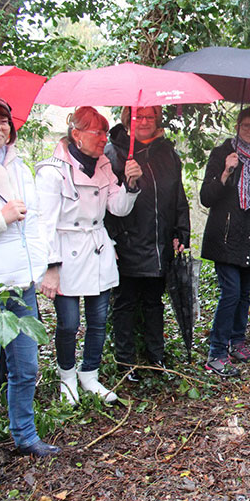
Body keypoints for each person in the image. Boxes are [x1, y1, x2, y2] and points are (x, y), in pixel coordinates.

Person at [0, 92, 58, 485]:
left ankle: (25, 436)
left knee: (26, 367)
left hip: (21, 285)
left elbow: (35, 222)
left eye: (2, 118)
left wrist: (36, 266)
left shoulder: (19, 166)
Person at [36, 107, 142, 405]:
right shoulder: (52, 171)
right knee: (68, 323)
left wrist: (131, 184)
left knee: (98, 320)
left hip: (97, 248)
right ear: (76, 134)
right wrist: (51, 266)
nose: (103, 139)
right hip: (66, 251)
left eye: (105, 133)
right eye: (97, 133)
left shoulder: (104, 165)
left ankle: (90, 374)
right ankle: (67, 377)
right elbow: (44, 223)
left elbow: (117, 208)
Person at [105, 106, 190, 382]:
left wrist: (181, 230)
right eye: (138, 116)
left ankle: (156, 357)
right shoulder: (114, 153)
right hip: (128, 240)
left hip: (159, 241)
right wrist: (112, 239)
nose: (144, 121)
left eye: (150, 116)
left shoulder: (167, 152)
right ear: (128, 120)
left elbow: (178, 194)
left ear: (157, 120)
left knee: (154, 302)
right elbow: (104, 203)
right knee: (125, 303)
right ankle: (125, 362)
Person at [200, 107, 250, 378]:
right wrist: (225, 172)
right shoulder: (223, 154)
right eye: (246, 125)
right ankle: (217, 353)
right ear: (237, 126)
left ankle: (237, 342)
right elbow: (206, 197)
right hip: (225, 238)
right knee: (231, 293)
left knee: (244, 295)